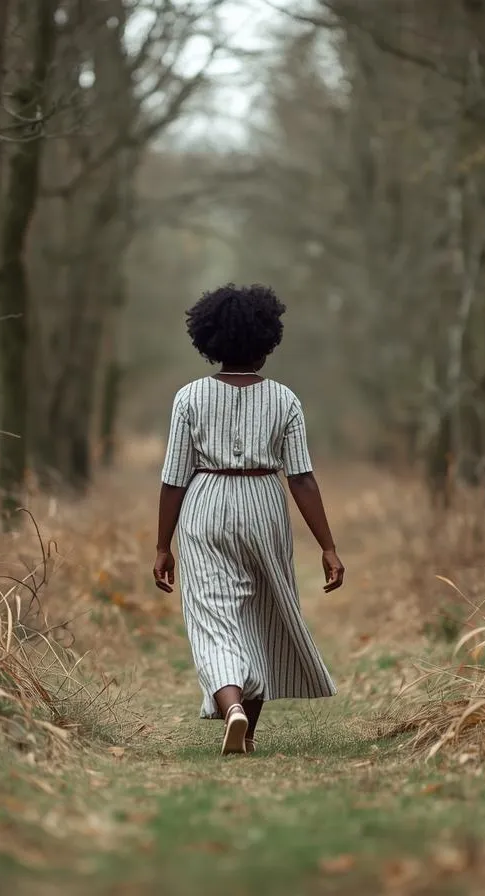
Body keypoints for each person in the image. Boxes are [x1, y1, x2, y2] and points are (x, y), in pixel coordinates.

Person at [153, 283, 345, 756]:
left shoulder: (189, 398)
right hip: (264, 501)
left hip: (206, 503)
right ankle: (249, 731)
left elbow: (173, 478)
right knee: (263, 613)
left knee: (213, 615)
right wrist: (327, 545)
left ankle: (231, 707)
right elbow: (302, 479)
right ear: (267, 340)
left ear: (209, 340)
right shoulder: (285, 400)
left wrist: (163, 544)